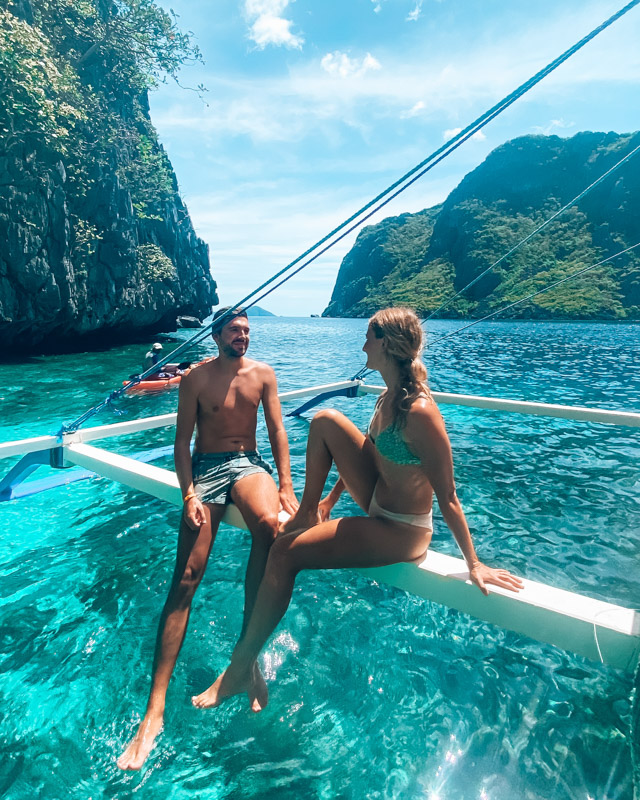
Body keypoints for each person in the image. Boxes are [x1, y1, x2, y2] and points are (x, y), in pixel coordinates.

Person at [190, 307, 524, 709]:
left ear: (385, 344)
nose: (363, 343)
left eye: (369, 336)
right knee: (325, 420)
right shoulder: (386, 397)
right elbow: (369, 457)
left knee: (283, 554)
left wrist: (473, 562)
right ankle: (308, 511)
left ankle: (238, 669)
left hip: (401, 528)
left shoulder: (420, 412)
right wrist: (330, 500)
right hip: (377, 498)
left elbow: (448, 495)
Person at [117, 306, 298, 770]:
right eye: (235, 330)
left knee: (272, 531)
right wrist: (188, 493)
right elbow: (182, 443)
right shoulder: (195, 378)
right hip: (206, 470)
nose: (243, 336)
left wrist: (285, 485)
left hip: (249, 466)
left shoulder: (263, 375)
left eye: (247, 331)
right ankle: (153, 710)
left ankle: (245, 660)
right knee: (187, 578)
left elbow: (277, 431)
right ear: (216, 335)